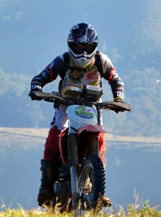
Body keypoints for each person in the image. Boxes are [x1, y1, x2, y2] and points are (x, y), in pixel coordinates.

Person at [29, 22, 125, 208]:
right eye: (78, 47)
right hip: (66, 105)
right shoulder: (63, 60)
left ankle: (99, 190)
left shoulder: (101, 60)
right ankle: (46, 186)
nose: (82, 52)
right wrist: (36, 87)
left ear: (94, 46)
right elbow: (43, 74)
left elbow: (116, 79)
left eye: (86, 47)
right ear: (70, 45)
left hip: (93, 106)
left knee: (100, 138)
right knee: (54, 134)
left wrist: (119, 98)